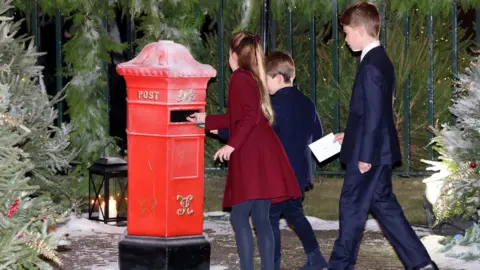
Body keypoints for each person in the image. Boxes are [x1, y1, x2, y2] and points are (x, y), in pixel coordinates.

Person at [328, 2, 438, 270]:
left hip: (370, 154)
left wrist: (365, 154)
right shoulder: (379, 60)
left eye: (346, 33)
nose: (345, 39)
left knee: (351, 207)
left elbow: (376, 115)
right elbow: (371, 111)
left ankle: (339, 266)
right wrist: (350, 135)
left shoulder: (372, 65)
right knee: (385, 209)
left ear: (360, 30)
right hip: (377, 149)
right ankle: (422, 265)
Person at [187, 31, 302, 270]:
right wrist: (208, 119)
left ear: (234, 55)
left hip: (251, 153)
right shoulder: (253, 77)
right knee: (260, 219)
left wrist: (231, 144)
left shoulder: (239, 77)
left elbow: (248, 117)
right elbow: (239, 116)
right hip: (263, 150)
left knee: (239, 217)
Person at [213, 50, 328, 270]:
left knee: (269, 218)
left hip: (276, 176)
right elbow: (318, 136)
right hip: (299, 176)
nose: (262, 85)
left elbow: (248, 131)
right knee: (295, 215)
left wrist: (216, 128)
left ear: (277, 78)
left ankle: (272, 265)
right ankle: (315, 255)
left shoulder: (272, 107)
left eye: (264, 79)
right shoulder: (307, 103)